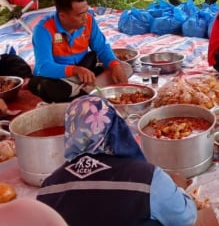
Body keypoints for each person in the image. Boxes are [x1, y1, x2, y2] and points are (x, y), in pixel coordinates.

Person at [36, 95, 198, 226]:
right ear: (115, 127)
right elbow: (185, 218)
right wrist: (178, 190)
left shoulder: (48, 189)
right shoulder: (147, 178)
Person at [27, 0, 127, 103]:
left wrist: (115, 65)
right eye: (80, 14)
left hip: (82, 70)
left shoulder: (89, 19)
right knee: (44, 87)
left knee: (123, 67)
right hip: (58, 77)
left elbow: (101, 47)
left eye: (86, 11)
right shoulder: (43, 29)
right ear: (62, 16)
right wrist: (75, 70)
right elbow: (44, 67)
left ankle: (80, 91)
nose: (85, 17)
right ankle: (86, 90)